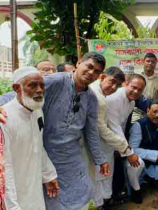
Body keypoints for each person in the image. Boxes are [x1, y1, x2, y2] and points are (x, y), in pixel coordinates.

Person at [0, 52, 110, 210]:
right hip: (48, 155)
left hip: (73, 157)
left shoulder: (91, 98)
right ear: (79, 63)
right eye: (89, 66)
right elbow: (22, 89)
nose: (92, 73)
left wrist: (100, 159)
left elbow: (91, 130)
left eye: (97, 71)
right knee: (53, 200)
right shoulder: (56, 81)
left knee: (84, 193)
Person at [1, 67, 59, 210]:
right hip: (13, 192)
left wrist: (48, 175)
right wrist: (12, 206)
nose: (39, 90)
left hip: (34, 187)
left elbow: (37, 146)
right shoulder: (4, 119)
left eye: (42, 85)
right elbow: (4, 168)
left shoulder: (37, 111)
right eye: (32, 85)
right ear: (16, 88)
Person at [82, 66, 130, 210]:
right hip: (88, 143)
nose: (113, 87)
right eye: (112, 82)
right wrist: (122, 145)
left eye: (117, 85)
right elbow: (101, 128)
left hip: (94, 142)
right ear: (102, 77)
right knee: (95, 177)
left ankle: (100, 203)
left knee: (98, 176)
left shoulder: (96, 91)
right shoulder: (99, 98)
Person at [105, 74, 146, 204]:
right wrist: (127, 151)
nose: (136, 91)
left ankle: (120, 194)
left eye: (140, 90)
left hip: (116, 142)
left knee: (136, 165)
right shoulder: (113, 98)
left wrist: (121, 147)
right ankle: (103, 202)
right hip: (103, 142)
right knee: (103, 175)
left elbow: (121, 127)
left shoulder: (132, 102)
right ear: (125, 83)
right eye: (133, 87)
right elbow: (114, 126)